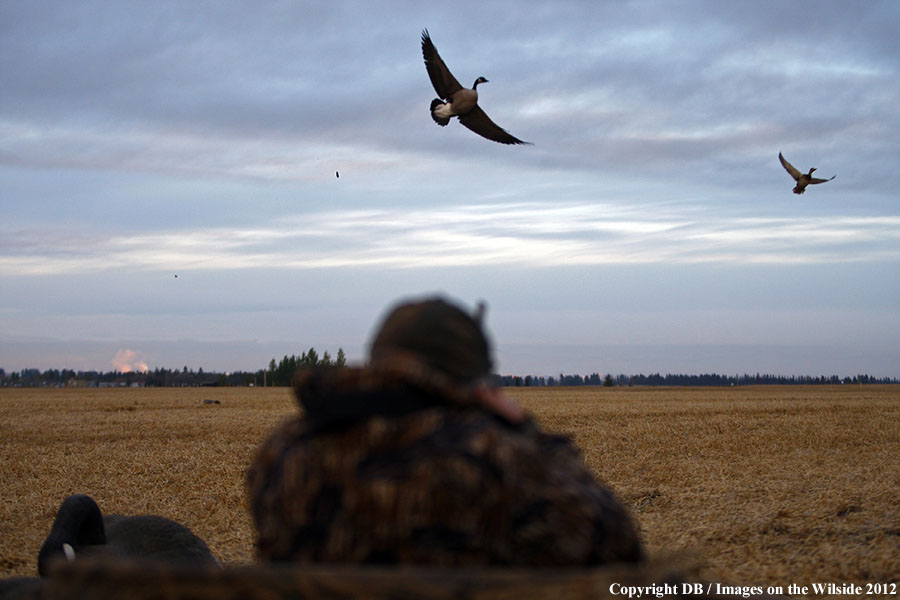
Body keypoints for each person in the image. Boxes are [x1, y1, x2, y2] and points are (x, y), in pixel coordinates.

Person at [246, 296, 643, 566]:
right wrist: (526, 431)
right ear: (471, 379)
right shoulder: (491, 454)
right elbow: (615, 546)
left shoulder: (282, 452)